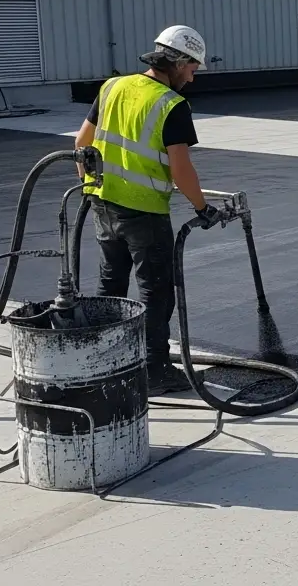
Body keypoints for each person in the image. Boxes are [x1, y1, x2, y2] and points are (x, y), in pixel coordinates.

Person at [75, 25, 222, 395]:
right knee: (155, 291)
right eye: (192, 69)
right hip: (144, 212)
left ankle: (103, 360)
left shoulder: (112, 87)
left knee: (110, 285)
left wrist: (91, 188)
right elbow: (180, 169)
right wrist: (202, 208)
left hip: (103, 205)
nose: (192, 78)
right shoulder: (171, 105)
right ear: (179, 62)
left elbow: (81, 144)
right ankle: (154, 370)